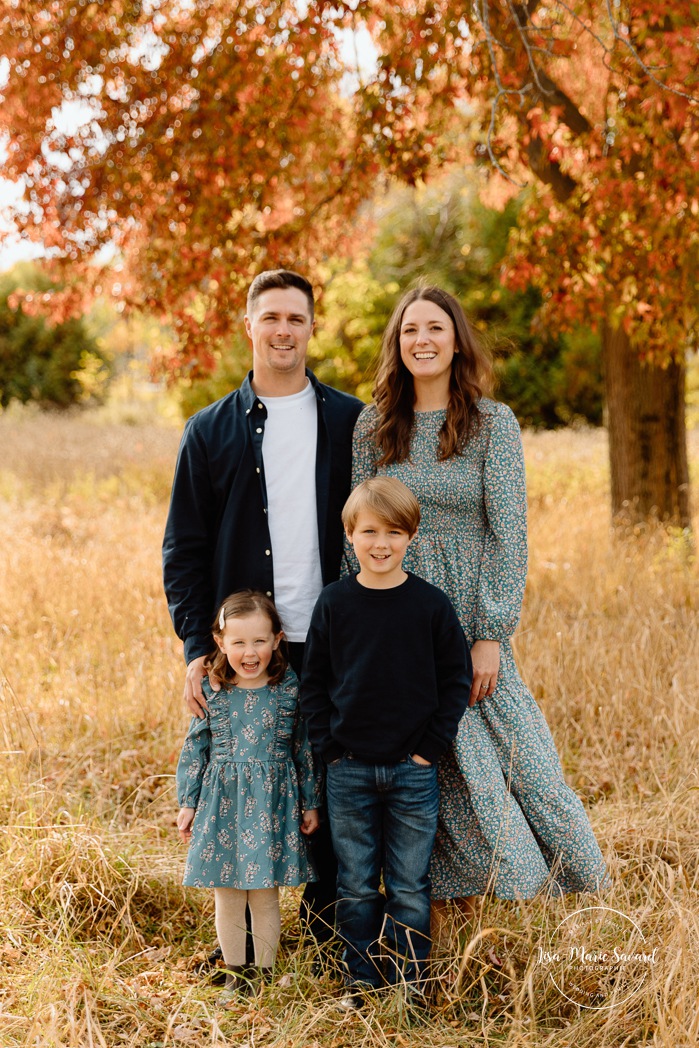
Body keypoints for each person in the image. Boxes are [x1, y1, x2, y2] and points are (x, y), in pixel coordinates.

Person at [350, 286, 608, 912]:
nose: (423, 341)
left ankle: (571, 893)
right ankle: (461, 914)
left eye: (436, 328)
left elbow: (510, 531)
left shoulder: (493, 423)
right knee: (439, 768)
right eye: (410, 330)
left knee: (523, 760)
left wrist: (491, 632)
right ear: (397, 343)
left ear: (457, 339)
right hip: (398, 615)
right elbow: (357, 528)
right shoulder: (373, 425)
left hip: (469, 617)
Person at [163, 269, 363, 963]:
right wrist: (197, 646)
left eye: (295, 318)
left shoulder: (348, 420)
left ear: (312, 327)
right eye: (269, 316)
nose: (282, 330)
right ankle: (241, 947)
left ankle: (328, 933)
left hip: (337, 640)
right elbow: (183, 550)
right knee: (249, 784)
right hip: (255, 649)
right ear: (247, 326)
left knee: (332, 787)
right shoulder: (210, 431)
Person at [300, 476, 472, 1009]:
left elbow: (455, 683)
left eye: (394, 532)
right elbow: (314, 685)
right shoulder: (334, 604)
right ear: (350, 534)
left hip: (412, 770)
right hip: (348, 770)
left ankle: (410, 986)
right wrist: (330, 750)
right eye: (369, 531)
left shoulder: (430, 605)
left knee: (408, 886)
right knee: (354, 882)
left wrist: (428, 751)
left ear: (411, 536)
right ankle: (360, 981)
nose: (381, 543)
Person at [176, 590, 321, 997]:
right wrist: (188, 801)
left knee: (263, 893)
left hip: (273, 803)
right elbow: (195, 747)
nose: (249, 652)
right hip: (222, 801)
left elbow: (303, 747)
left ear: (277, 639)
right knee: (228, 892)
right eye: (238, 642)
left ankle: (264, 974)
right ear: (220, 643)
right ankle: (235, 971)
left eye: (259, 640)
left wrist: (311, 802)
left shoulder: (288, 688)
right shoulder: (215, 688)